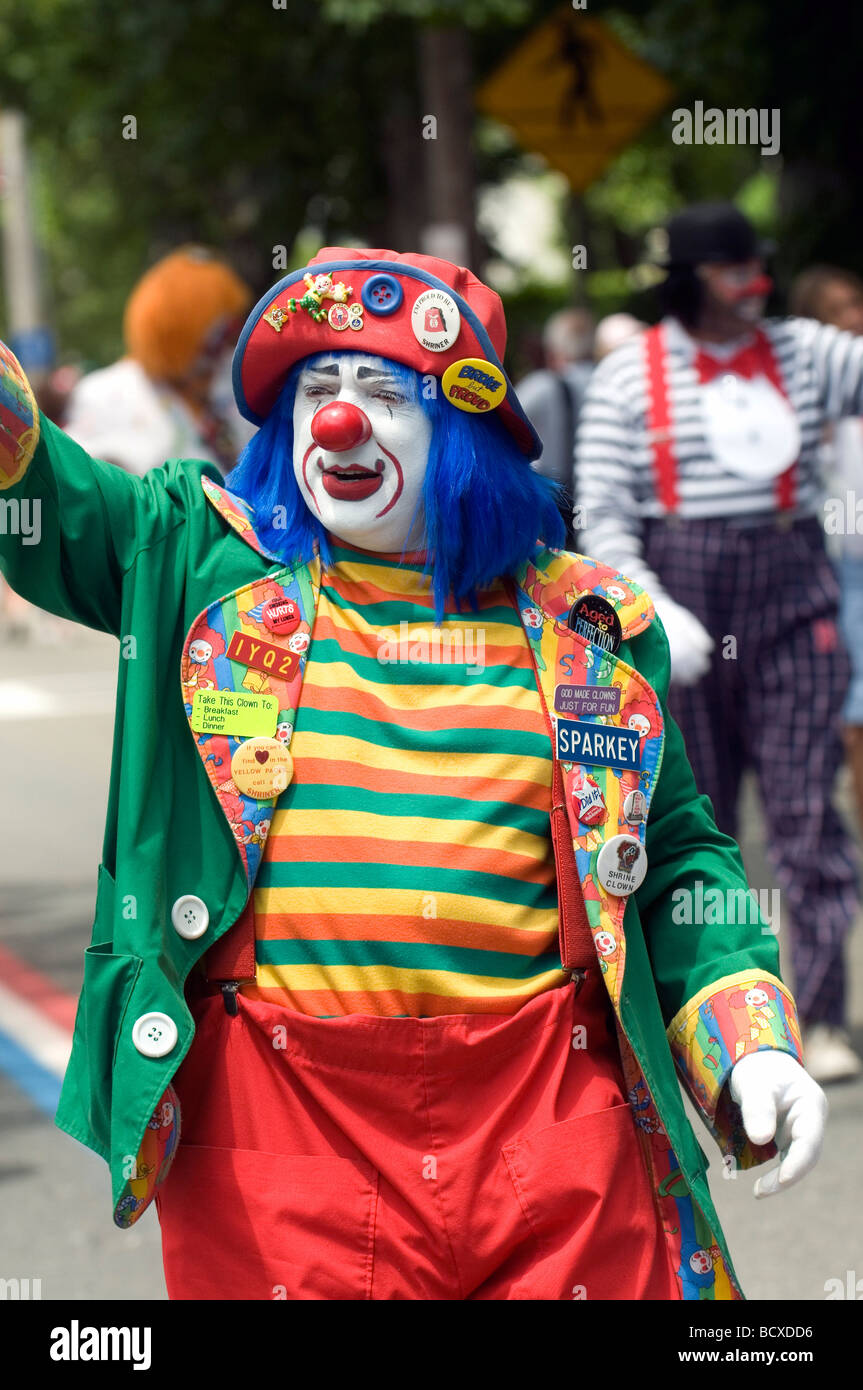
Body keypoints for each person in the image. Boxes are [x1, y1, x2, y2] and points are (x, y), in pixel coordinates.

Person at [0, 248, 827, 1301]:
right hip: (283, 1138)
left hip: (550, 1127)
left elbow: (668, 863)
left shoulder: (590, 624)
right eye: (314, 392)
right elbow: (40, 489)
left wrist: (743, 1034)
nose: (337, 422)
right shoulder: (199, 561)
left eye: (384, 393)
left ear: (465, 432)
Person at [575, 202, 863, 1085]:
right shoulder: (630, 376)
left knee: (806, 814)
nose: (753, 287)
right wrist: (649, 602)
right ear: (693, 278)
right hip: (682, 600)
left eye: (757, 268)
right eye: (733, 270)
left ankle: (815, 1015)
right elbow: (602, 506)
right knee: (687, 818)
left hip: (790, 595)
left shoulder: (809, 354)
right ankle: (713, 1015)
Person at [63, 245, 255, 475]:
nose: (227, 350)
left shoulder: (225, 391)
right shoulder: (107, 393)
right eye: (219, 338)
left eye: (231, 334)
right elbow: (87, 478)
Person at [790, 266, 863, 866]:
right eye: (840, 308)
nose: (855, 317)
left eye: (857, 304)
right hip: (826, 574)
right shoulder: (801, 404)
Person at [517, 307, 595, 541]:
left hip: (553, 509)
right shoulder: (610, 382)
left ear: (553, 349)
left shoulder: (541, 386)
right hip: (598, 504)